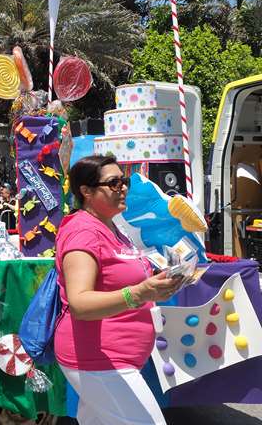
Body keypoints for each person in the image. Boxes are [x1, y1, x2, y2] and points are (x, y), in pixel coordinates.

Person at [55, 155, 182, 424]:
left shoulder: (111, 226)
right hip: (99, 361)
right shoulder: (84, 232)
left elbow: (122, 279)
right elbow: (80, 303)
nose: (123, 188)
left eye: (123, 181)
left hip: (114, 361)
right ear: (86, 192)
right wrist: (139, 293)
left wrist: (157, 285)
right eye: (113, 183)